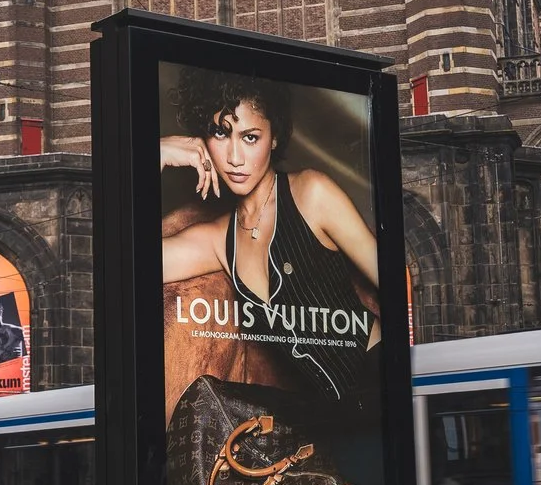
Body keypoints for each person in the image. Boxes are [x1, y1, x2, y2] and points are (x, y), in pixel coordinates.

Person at [158, 72, 381, 405]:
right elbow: (134, 264)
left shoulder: (312, 193)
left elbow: (389, 280)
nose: (234, 157)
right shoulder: (220, 239)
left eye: (250, 137)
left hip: (378, 377)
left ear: (274, 138)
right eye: (220, 133)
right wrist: (157, 153)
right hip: (327, 414)